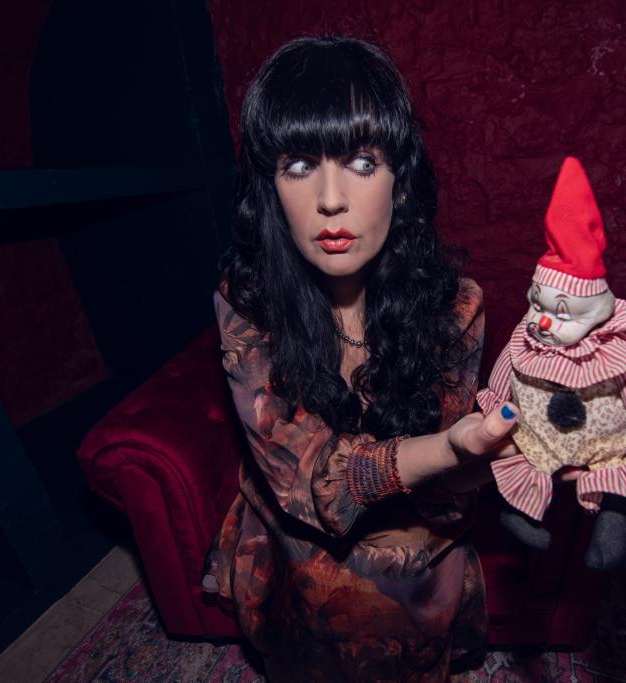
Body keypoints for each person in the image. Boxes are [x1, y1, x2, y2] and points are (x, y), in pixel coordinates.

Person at [203, 36, 521, 681]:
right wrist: (455, 446)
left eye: (360, 162)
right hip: (296, 525)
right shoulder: (248, 302)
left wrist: (497, 453)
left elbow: (449, 501)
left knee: (399, 581)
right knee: (329, 593)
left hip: (418, 519)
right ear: (269, 188)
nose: (329, 200)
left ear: (400, 181)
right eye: (297, 165)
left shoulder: (454, 307)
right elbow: (302, 482)